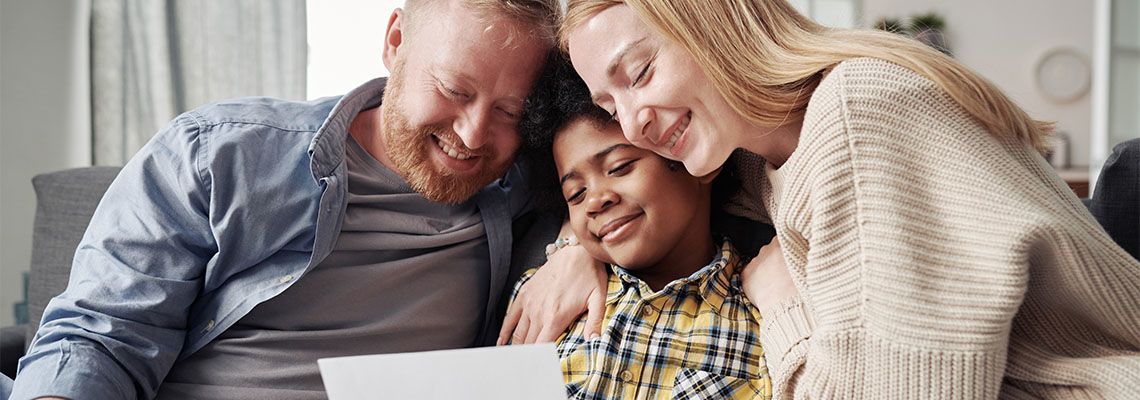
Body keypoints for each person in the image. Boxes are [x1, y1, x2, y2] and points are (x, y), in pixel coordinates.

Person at [6, 1, 613, 399]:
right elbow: (104, 335)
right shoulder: (219, 156)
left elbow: (627, 180)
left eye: (508, 111)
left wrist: (579, 244)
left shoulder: (521, 183)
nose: (474, 134)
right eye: (453, 90)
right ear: (395, 41)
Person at [558, 0, 1140, 399]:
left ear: (717, 24)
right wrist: (573, 249)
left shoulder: (858, 113)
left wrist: (781, 302)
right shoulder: (764, 162)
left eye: (640, 73)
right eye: (610, 107)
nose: (632, 125)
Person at [509, 55, 772, 399]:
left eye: (619, 167)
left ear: (694, 160)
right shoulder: (543, 300)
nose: (594, 201)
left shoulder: (764, 315)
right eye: (575, 193)